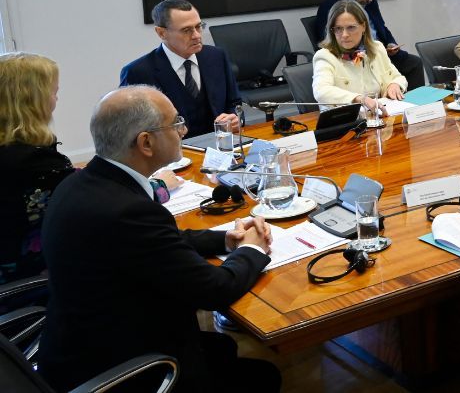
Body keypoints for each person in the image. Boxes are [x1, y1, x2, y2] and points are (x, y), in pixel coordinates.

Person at [39, 86, 279, 393]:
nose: (184, 130)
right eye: (175, 122)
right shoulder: (128, 211)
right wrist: (252, 248)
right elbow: (215, 290)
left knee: (221, 349)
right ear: (146, 142)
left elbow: (160, 242)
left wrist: (226, 241)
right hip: (125, 368)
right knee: (263, 377)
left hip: (80, 345)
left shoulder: (83, 182)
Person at [0, 53, 75, 287]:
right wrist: (159, 186)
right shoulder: (36, 164)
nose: (56, 100)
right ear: (34, 101)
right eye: (54, 92)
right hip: (33, 281)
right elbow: (91, 208)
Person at [120, 0, 242, 137]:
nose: (196, 35)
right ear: (161, 33)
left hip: (218, 147)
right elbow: (131, 128)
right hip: (171, 154)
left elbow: (234, 103)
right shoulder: (138, 72)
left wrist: (234, 119)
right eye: (186, 30)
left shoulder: (216, 57)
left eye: (198, 26)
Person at [314, 0, 423, 88]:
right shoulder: (331, 5)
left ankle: (413, 104)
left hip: (378, 50)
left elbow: (381, 27)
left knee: (414, 63)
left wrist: (391, 43)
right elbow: (327, 38)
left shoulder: (370, 1)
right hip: (354, 55)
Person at [312, 0, 407, 112]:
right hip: (346, 122)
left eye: (351, 27)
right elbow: (321, 91)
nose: (345, 35)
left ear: (363, 27)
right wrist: (359, 99)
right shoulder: (325, 56)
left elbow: (398, 77)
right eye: (338, 28)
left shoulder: (377, 48)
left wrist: (395, 84)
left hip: (380, 117)